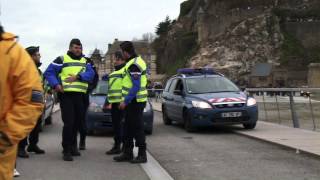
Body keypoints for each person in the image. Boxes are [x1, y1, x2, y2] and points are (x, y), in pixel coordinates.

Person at [0, 26, 44, 180]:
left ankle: (27, 147)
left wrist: (4, 137)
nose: (40, 56)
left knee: (34, 129)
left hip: (3, 145)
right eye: (38, 54)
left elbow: (32, 100)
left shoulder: (13, 54)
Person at [44, 39, 94, 161]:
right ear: (70, 48)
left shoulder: (85, 61)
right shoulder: (62, 59)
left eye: (80, 48)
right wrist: (56, 85)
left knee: (77, 123)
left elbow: (91, 74)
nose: (78, 50)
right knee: (69, 123)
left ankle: (73, 147)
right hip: (66, 95)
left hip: (80, 96)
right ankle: (66, 150)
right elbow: (48, 72)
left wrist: (78, 77)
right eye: (76, 48)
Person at [113, 41, 148, 163]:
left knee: (137, 128)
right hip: (132, 101)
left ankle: (142, 155)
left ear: (126, 52)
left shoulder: (134, 65)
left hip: (135, 101)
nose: (121, 55)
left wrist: (125, 101)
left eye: (122, 52)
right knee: (127, 127)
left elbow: (136, 86)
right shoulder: (131, 63)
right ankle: (127, 153)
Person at [18, 46, 46, 158]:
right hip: (26, 102)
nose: (40, 56)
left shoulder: (38, 71)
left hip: (37, 103)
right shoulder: (23, 69)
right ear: (31, 56)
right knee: (24, 126)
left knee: (36, 125)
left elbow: (42, 86)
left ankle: (33, 145)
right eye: (37, 54)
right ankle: (21, 148)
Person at [105, 51, 126, 155]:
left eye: (117, 59)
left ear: (122, 60)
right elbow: (110, 89)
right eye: (115, 59)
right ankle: (117, 146)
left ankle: (123, 146)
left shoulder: (125, 71)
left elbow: (127, 87)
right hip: (114, 103)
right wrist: (107, 102)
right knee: (116, 126)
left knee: (121, 126)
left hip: (122, 103)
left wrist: (124, 100)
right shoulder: (113, 73)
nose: (115, 61)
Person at [79, 57, 99, 150]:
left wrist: (90, 88)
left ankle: (82, 141)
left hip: (83, 94)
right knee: (70, 121)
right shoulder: (66, 60)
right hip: (70, 95)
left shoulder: (87, 61)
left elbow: (95, 76)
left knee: (82, 119)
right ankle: (70, 144)